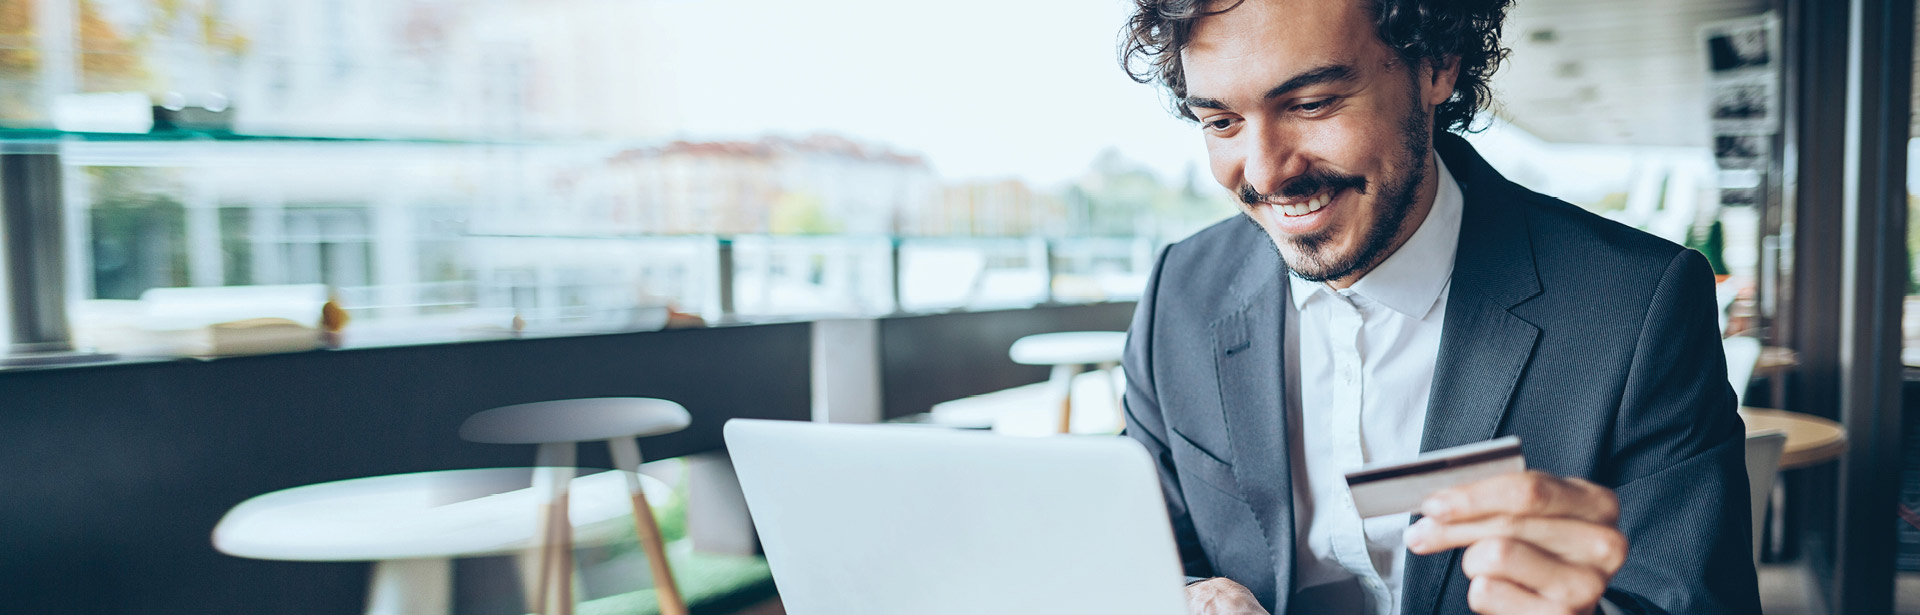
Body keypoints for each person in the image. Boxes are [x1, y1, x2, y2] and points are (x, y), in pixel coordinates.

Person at [1114, 1, 1761, 614]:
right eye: (1222, 121)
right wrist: (1193, 593)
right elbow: (1139, 545)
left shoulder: (1637, 303)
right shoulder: (1181, 289)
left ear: (1437, 64)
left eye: (1311, 103)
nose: (1265, 172)